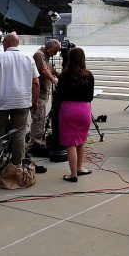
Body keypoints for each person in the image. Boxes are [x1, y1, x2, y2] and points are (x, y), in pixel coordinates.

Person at [0, 32, 39, 166]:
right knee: (19, 134)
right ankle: (17, 166)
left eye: (3, 42)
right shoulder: (28, 58)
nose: (2, 44)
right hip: (22, 101)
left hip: (1, 102)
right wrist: (35, 101)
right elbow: (36, 82)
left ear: (8, 42)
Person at [56, 47, 94, 182]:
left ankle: (73, 174)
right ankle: (80, 168)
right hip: (84, 110)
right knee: (81, 140)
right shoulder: (89, 75)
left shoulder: (65, 75)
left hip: (68, 109)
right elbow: (90, 96)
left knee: (70, 143)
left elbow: (59, 94)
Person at [28, 39, 61, 153]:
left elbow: (50, 69)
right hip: (38, 94)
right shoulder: (39, 55)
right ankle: (35, 144)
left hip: (43, 93)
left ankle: (37, 142)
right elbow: (44, 70)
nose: (56, 54)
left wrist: (59, 75)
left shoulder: (45, 56)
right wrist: (55, 81)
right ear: (49, 47)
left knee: (41, 118)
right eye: (55, 51)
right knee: (38, 119)